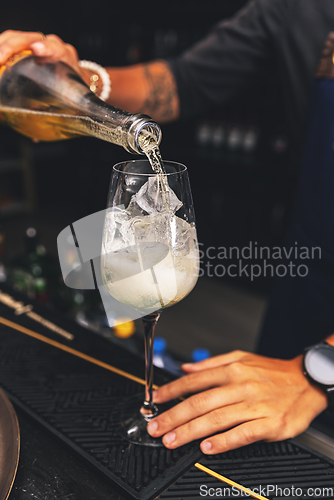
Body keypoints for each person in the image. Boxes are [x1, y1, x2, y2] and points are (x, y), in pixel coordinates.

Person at [1, 0, 334, 455]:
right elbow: (183, 81)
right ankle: (146, 407)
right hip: (312, 273)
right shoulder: (296, 6)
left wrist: (317, 370)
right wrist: (82, 78)